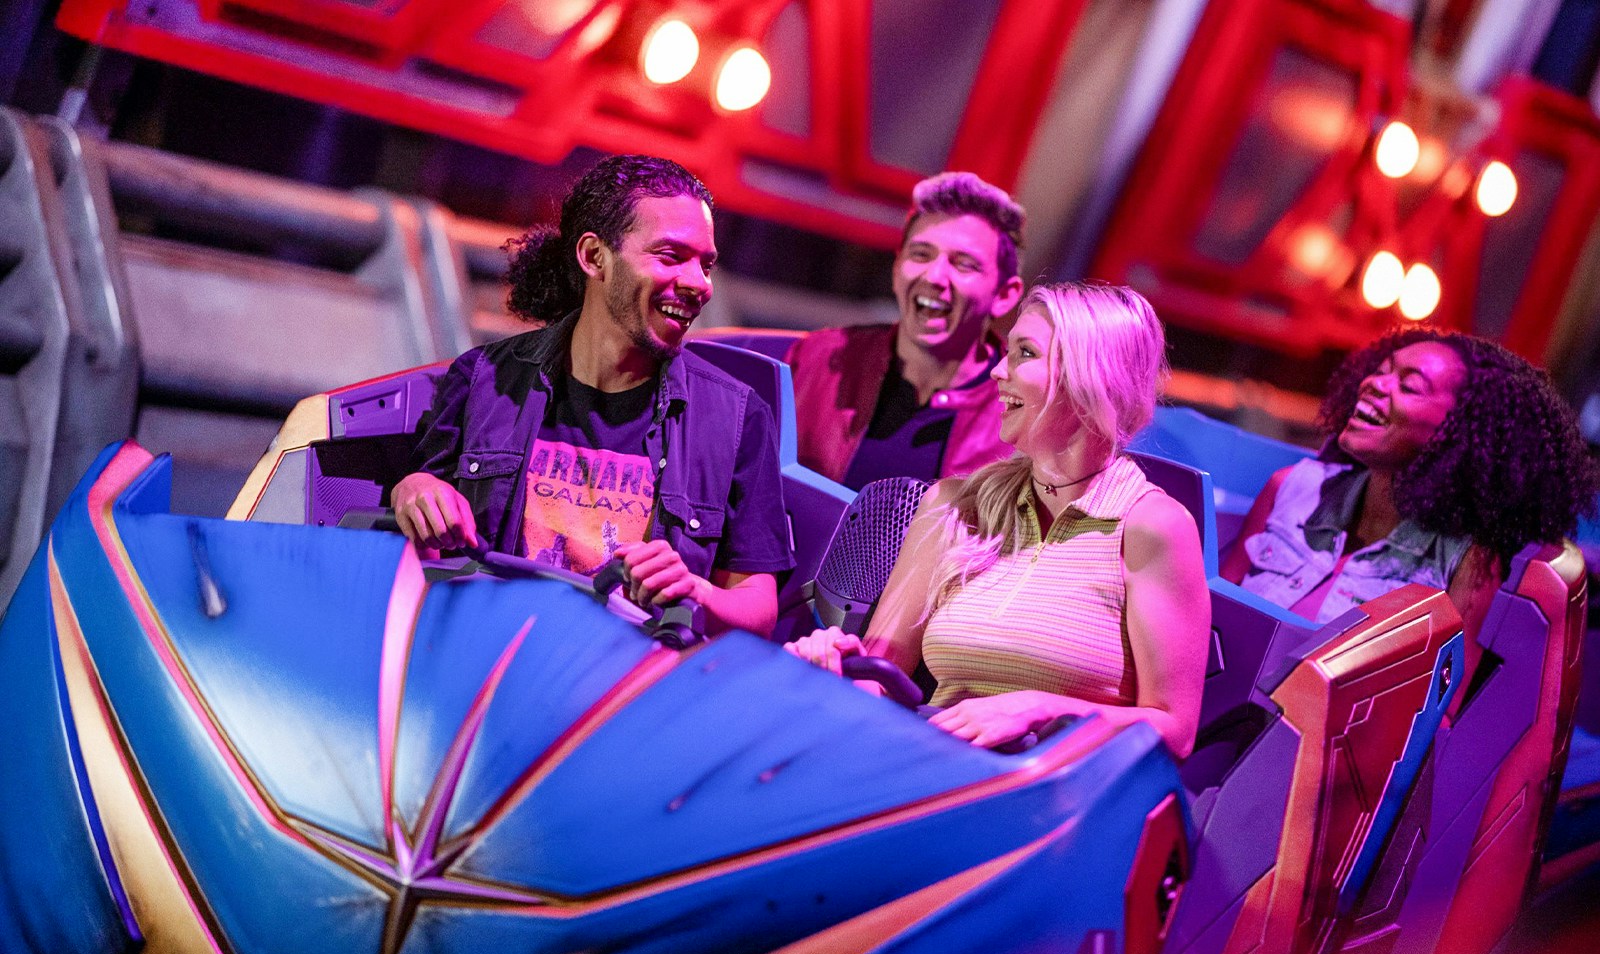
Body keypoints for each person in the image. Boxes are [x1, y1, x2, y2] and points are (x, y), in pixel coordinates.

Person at [787, 283, 1210, 758]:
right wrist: (837, 666)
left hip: (1058, 795)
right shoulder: (953, 502)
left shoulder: (1152, 526)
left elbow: (1174, 730)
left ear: (1091, 376)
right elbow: (881, 678)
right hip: (931, 768)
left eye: (1024, 353)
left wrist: (1037, 708)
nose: (997, 371)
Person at [393, 154, 794, 636]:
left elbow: (760, 610)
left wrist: (697, 592)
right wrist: (412, 487)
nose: (698, 284)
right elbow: (418, 522)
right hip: (488, 652)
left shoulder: (737, 417)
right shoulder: (482, 379)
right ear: (594, 257)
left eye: (705, 264)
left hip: (632, 686)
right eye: (671, 256)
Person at [1220, 327, 1597, 651]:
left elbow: (1442, 711)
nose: (1373, 384)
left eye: (1409, 385)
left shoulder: (1467, 560)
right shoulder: (1290, 486)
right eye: (1380, 372)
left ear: (1459, 430)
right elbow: (1213, 610)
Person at [785, 172, 1026, 490]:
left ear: (1004, 295)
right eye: (921, 254)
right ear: (897, 268)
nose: (935, 276)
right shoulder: (819, 359)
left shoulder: (1025, 410)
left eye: (964, 263)